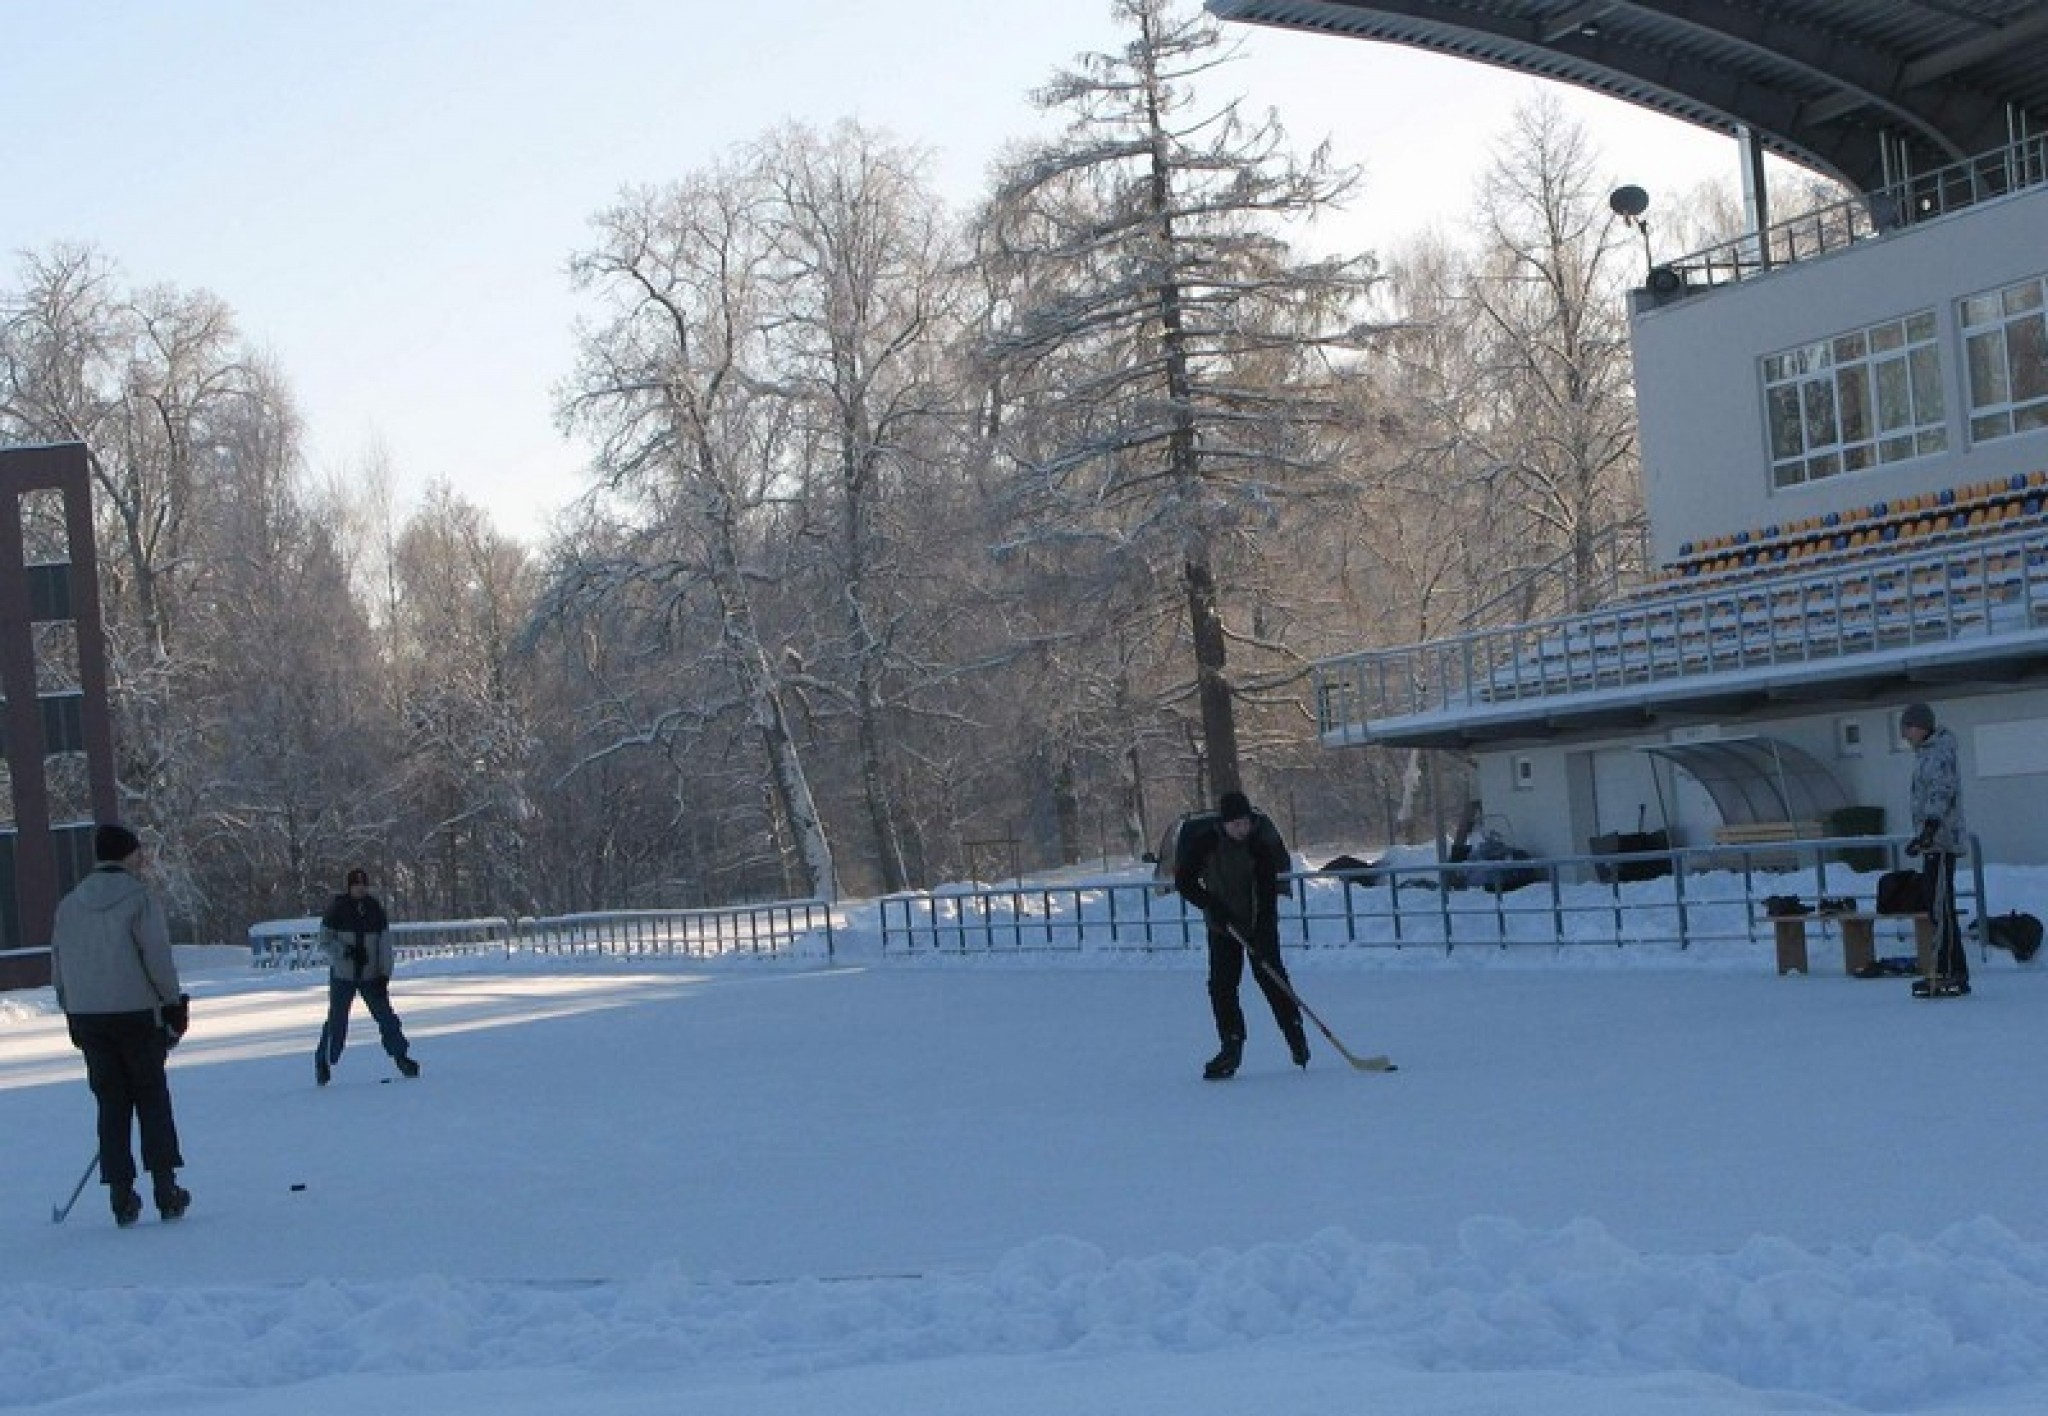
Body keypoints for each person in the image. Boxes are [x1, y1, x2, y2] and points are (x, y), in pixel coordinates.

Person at [49, 823, 191, 1226]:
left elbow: (59, 965)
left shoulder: (69, 904)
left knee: (111, 1104)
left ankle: (120, 1194)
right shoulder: (139, 899)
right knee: (151, 1099)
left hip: (89, 1017)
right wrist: (172, 1003)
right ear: (127, 854)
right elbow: (157, 957)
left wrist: (71, 1008)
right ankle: (165, 1187)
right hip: (136, 1016)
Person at [1172, 790, 1308, 1078]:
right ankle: (1231, 1045)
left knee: (1272, 978)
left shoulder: (1259, 846)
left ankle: (1295, 1035)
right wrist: (1210, 905)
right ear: (1224, 823)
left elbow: (1267, 894)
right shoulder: (1206, 843)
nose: (1242, 829)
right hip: (1223, 928)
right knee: (1222, 987)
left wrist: (1261, 930)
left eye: (1245, 823)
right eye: (1236, 824)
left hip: (1258, 923)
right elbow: (1184, 881)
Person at [314, 867, 420, 1084]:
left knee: (387, 1018)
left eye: (363, 884)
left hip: (372, 977)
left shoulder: (375, 910)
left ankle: (401, 1056)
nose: (360, 888)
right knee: (336, 1021)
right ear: (349, 887)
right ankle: (324, 1062)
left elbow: (385, 946)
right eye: (356, 885)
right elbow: (323, 941)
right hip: (343, 976)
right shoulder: (337, 909)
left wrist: (384, 974)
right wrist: (345, 951)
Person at [1901, 701, 1969, 998]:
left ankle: (1944, 970)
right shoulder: (1926, 755)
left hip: (1940, 842)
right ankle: (1956, 969)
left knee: (1939, 908)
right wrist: (1920, 836)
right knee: (1938, 907)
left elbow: (1942, 791)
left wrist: (1930, 828)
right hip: (1933, 841)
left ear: (1921, 726)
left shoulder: (1938, 754)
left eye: (1907, 728)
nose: (1905, 735)